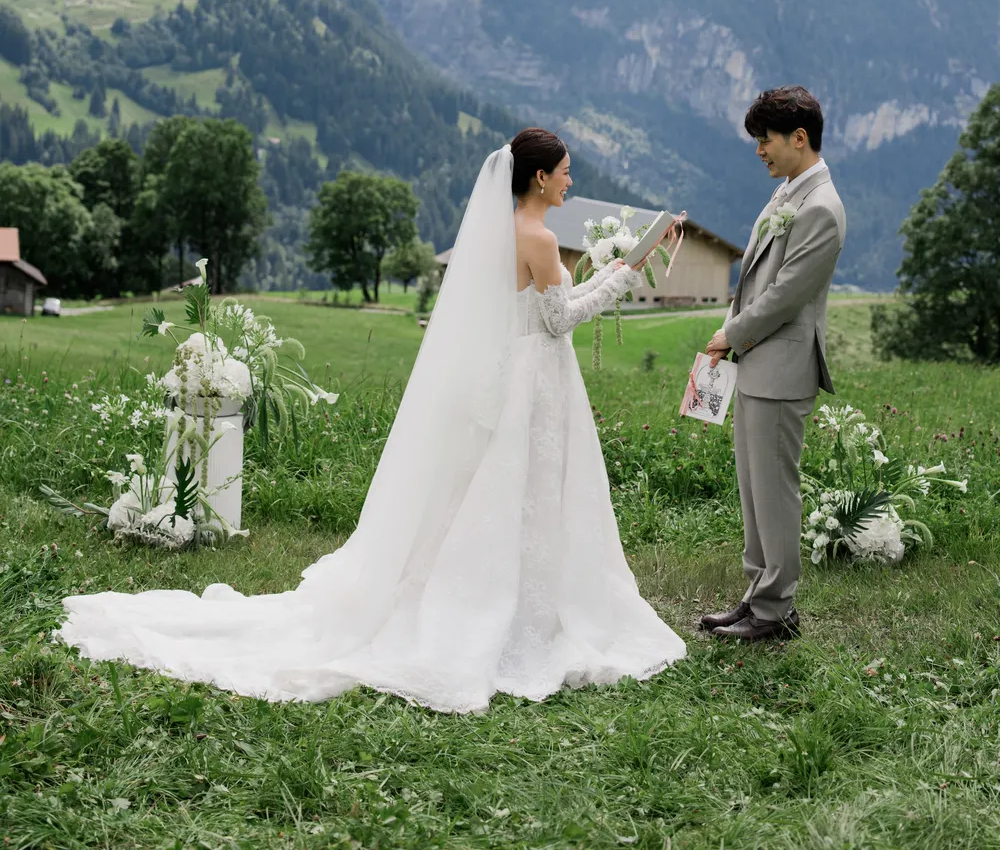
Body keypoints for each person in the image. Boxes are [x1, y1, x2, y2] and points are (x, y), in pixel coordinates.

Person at [58, 129, 685, 712]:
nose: (571, 182)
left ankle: (496, 596)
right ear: (540, 178)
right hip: (537, 380)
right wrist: (624, 277)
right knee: (534, 490)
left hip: (516, 375)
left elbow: (543, 307)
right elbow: (558, 320)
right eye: (566, 172)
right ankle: (526, 610)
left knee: (498, 490)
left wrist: (610, 270)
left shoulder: (505, 232)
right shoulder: (540, 238)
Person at [699, 86, 846, 644]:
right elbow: (755, 277)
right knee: (754, 489)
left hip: (783, 369)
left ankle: (776, 611)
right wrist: (732, 335)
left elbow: (785, 295)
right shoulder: (787, 192)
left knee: (775, 492)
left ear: (799, 138)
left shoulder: (821, 208)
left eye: (766, 140)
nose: (759, 150)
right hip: (758, 363)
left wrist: (731, 334)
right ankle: (758, 595)